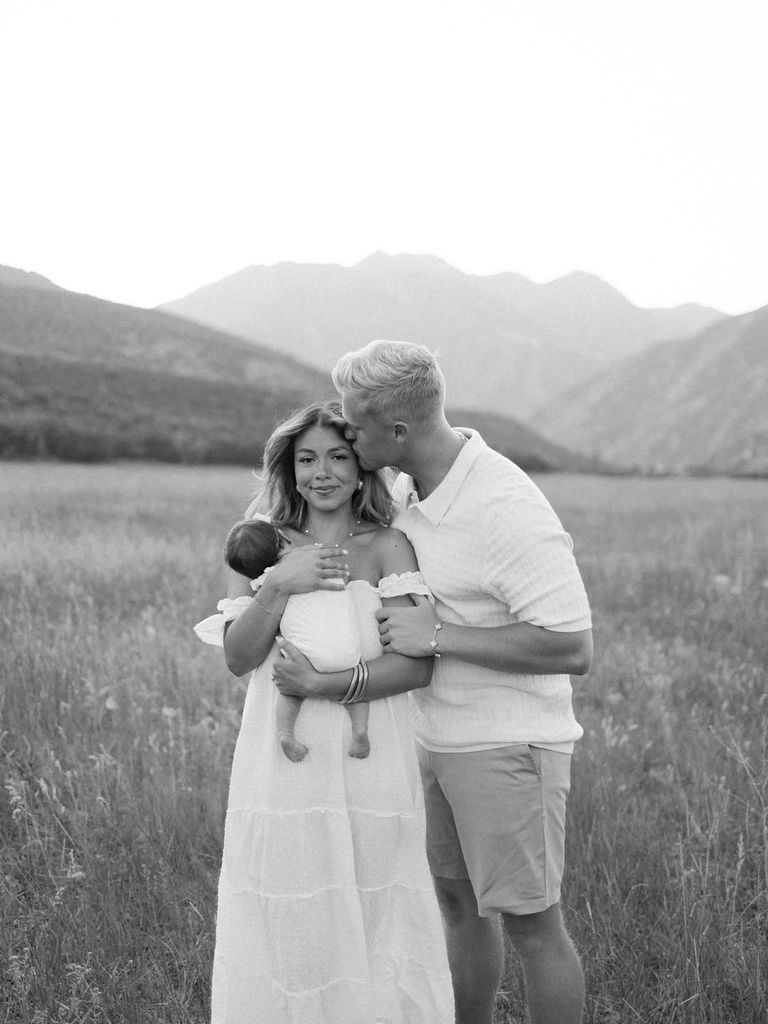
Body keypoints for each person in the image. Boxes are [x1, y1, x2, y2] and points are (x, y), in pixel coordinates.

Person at [293, 340, 592, 1024]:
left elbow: (573, 645)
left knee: (532, 926)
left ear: (398, 431)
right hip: (431, 739)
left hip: (508, 747)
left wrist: (438, 637)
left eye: (355, 425)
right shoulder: (405, 489)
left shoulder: (504, 504)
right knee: (457, 907)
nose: (346, 435)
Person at [203, 400, 454, 1024]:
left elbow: (417, 665)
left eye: (338, 457)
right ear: (287, 470)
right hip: (285, 760)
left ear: (361, 464)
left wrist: (323, 684)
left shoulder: (389, 546)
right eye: (307, 459)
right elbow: (238, 657)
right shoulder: (258, 545)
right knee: (292, 901)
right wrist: (280, 582)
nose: (323, 473)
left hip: (371, 756)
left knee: (377, 905)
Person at [194, 515, 371, 761]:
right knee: (357, 688)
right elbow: (343, 577)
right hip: (346, 654)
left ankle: (286, 733)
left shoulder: (262, 583)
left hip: (303, 656)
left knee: (289, 695)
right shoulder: (314, 558)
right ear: (285, 540)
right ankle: (359, 730)